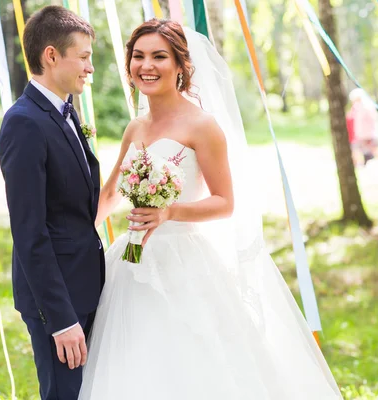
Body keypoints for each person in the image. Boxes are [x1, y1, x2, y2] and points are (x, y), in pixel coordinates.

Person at [78, 19, 343, 399]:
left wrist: (169, 213)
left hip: (184, 261)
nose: (146, 66)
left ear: (181, 66)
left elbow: (225, 201)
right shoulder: (135, 127)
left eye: (159, 56)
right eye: (138, 56)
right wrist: (76, 233)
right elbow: (109, 195)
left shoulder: (202, 126)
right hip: (133, 260)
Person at [0, 6, 104, 399]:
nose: (90, 67)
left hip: (84, 284)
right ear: (51, 56)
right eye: (84, 56)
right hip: (57, 302)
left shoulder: (64, 111)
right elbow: (30, 231)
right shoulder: (25, 122)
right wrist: (60, 320)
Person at [346, 88, 378, 166]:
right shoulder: (357, 108)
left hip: (370, 135)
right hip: (361, 136)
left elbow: (373, 121)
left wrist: (370, 135)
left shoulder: (367, 107)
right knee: (356, 150)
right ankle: (359, 165)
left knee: (373, 150)